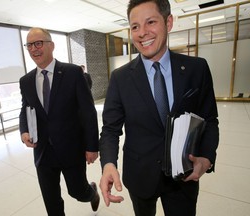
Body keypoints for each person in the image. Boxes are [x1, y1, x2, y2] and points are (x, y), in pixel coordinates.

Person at [99, 1, 219, 216]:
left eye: (151, 22)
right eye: (135, 26)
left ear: (169, 22)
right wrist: (108, 163)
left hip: (184, 174)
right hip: (140, 174)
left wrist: (207, 158)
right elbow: (110, 129)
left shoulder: (196, 69)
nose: (142, 33)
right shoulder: (120, 78)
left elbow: (209, 119)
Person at [19, 27, 100, 216]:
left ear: (51, 45)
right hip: (43, 151)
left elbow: (88, 111)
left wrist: (92, 146)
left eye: (38, 43)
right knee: (51, 201)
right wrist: (24, 131)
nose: (34, 49)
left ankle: (92, 192)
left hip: (71, 148)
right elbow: (25, 109)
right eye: (29, 45)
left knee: (78, 192)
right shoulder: (26, 81)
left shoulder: (72, 73)